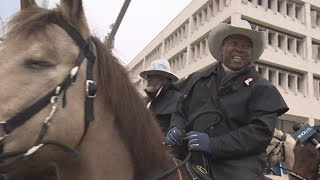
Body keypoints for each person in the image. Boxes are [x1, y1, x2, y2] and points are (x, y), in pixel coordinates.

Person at [165, 20, 289, 180]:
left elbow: (261, 132)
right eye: (234, 43)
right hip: (190, 155)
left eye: (246, 46)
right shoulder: (197, 79)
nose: (239, 49)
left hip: (238, 165)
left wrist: (213, 144)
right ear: (221, 48)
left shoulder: (263, 88)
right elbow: (180, 110)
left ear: (251, 52)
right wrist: (175, 127)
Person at [140, 59, 181, 135]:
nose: (149, 79)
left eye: (153, 75)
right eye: (148, 76)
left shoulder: (177, 99)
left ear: (163, 78)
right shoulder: (151, 100)